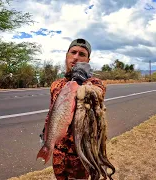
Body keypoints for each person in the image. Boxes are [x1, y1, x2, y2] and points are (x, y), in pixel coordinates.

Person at [40, 38, 107, 180]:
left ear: (88, 60)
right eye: (73, 52)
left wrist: (79, 82)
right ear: (67, 55)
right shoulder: (56, 84)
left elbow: (97, 93)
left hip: (81, 156)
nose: (76, 57)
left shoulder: (95, 83)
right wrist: (46, 135)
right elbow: (52, 112)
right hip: (58, 152)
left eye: (82, 54)